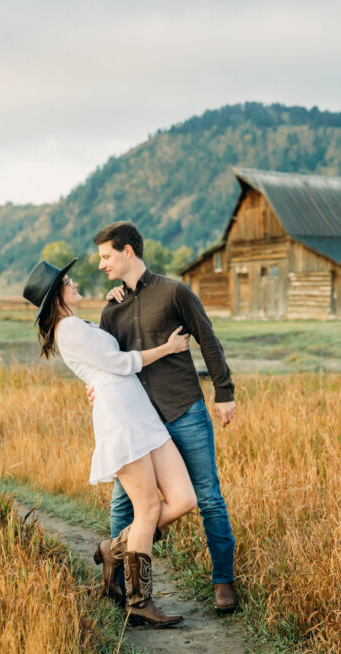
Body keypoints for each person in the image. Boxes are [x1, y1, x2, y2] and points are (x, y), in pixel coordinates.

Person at [23, 257, 196, 628]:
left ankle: (112, 550)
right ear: (57, 297)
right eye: (68, 282)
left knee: (184, 499)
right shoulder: (67, 329)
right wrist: (168, 348)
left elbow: (104, 359)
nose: (74, 284)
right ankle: (139, 601)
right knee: (148, 509)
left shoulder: (77, 324)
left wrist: (115, 300)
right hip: (120, 418)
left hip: (140, 414)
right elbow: (119, 363)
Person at [91, 220, 240, 614]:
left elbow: (208, 339)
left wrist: (223, 393)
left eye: (106, 256)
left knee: (208, 497)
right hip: (138, 420)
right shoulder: (111, 310)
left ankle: (223, 582)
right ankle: (118, 580)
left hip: (183, 409)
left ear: (127, 252)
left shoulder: (175, 291)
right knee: (123, 504)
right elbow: (110, 364)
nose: (101, 264)